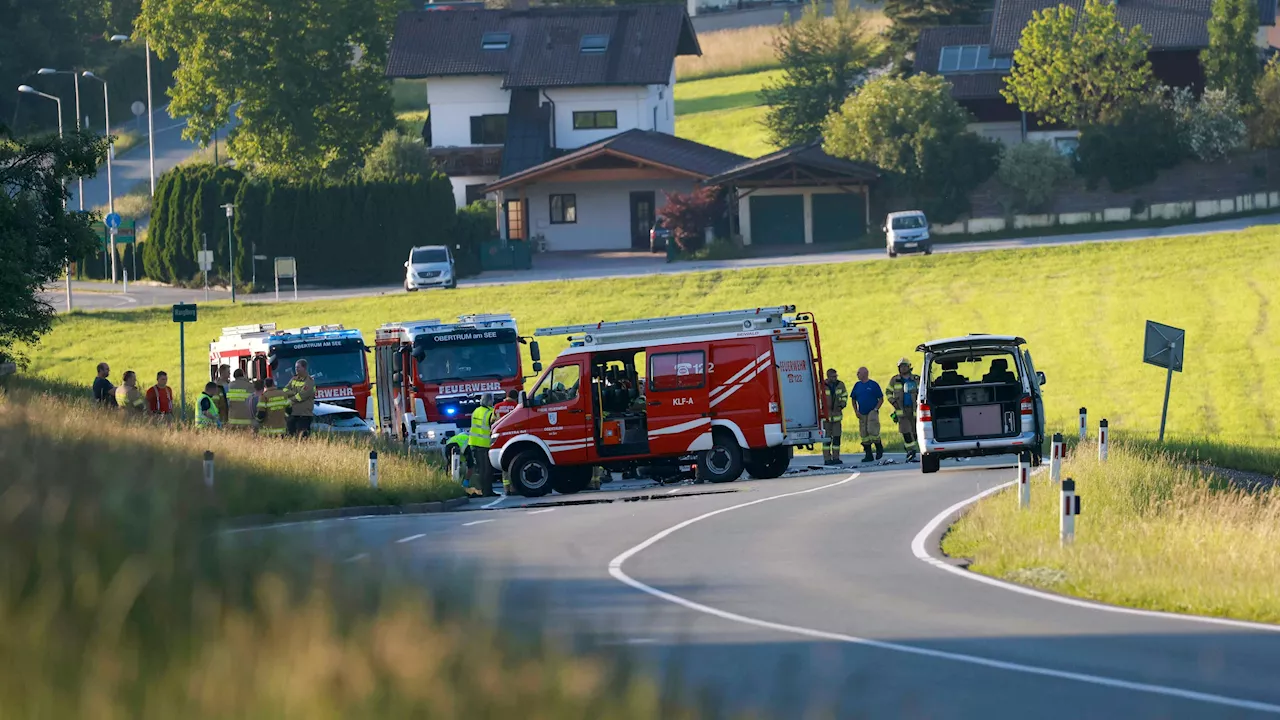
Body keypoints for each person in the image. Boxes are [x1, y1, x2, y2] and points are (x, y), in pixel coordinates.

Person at [888, 358, 922, 463]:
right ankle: (910, 452)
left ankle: (912, 450)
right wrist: (893, 402)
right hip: (901, 411)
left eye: (904, 366)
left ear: (909, 367)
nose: (902, 368)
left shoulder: (916, 379)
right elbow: (888, 392)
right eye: (901, 366)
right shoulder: (895, 380)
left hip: (915, 410)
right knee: (905, 431)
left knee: (915, 432)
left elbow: (922, 391)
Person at [852, 367, 885, 462]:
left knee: (872, 430)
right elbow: (853, 399)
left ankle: (879, 447)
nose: (857, 374)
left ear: (865, 373)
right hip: (862, 412)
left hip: (872, 412)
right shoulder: (857, 385)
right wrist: (856, 411)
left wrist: (875, 409)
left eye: (859, 373)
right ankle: (868, 454)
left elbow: (881, 399)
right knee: (864, 434)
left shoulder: (873, 385)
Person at [468, 393, 497, 497]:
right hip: (485, 444)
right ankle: (487, 491)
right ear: (489, 401)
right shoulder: (490, 413)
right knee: (487, 470)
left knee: (481, 469)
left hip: (474, 443)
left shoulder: (476, 411)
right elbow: (493, 427)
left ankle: (484, 490)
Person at [821, 368, 848, 465]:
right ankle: (827, 459)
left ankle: (836, 458)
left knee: (836, 438)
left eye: (836, 376)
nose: (835, 378)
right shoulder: (822, 386)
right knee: (826, 439)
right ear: (828, 376)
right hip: (826, 417)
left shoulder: (840, 385)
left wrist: (842, 405)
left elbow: (845, 395)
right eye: (833, 376)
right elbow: (818, 399)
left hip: (837, 416)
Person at [284, 359, 316, 438]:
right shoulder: (293, 379)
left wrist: (290, 399)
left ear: (304, 368)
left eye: (298, 367)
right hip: (293, 413)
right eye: (295, 368)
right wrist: (293, 393)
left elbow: (302, 396)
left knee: (303, 437)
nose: (296, 369)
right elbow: (285, 390)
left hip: (304, 415)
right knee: (290, 436)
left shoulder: (309, 381)